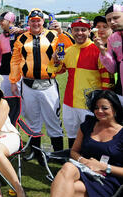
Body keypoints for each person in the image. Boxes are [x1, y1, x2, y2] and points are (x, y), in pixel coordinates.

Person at [45, 90, 123, 197]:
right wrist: (84, 161)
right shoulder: (88, 126)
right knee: (68, 168)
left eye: (105, 108)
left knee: (61, 193)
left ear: (115, 109)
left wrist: (104, 166)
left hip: (109, 182)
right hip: (84, 171)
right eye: (96, 108)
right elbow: (74, 151)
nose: (99, 111)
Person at [47, 17, 113, 148]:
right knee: (72, 134)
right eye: (76, 30)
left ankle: (89, 164)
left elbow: (107, 78)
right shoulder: (69, 51)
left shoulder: (98, 50)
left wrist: (105, 102)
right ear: (71, 31)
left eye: (83, 30)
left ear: (89, 31)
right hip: (69, 102)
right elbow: (58, 71)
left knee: (91, 135)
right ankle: (73, 160)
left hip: (90, 103)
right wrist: (55, 61)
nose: (80, 33)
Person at [10, 8, 64, 160]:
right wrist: (14, 81)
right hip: (28, 84)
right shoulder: (21, 38)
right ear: (29, 22)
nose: (35, 23)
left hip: (48, 83)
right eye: (32, 20)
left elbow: (65, 49)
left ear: (43, 21)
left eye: (38, 20)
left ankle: (58, 153)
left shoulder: (53, 35)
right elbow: (15, 60)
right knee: (32, 119)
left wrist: (61, 32)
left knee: (52, 118)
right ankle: (35, 151)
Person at [95, 4, 123, 105]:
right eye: (109, 20)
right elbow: (112, 69)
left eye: (116, 18)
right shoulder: (113, 38)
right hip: (120, 91)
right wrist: (102, 51)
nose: (112, 22)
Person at [0, 11, 24, 97]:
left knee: (21, 102)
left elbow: (35, 30)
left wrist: (21, 30)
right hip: (5, 73)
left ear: (10, 21)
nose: (0, 23)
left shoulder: (22, 34)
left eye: (2, 20)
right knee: (5, 100)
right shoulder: (0, 38)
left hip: (20, 74)